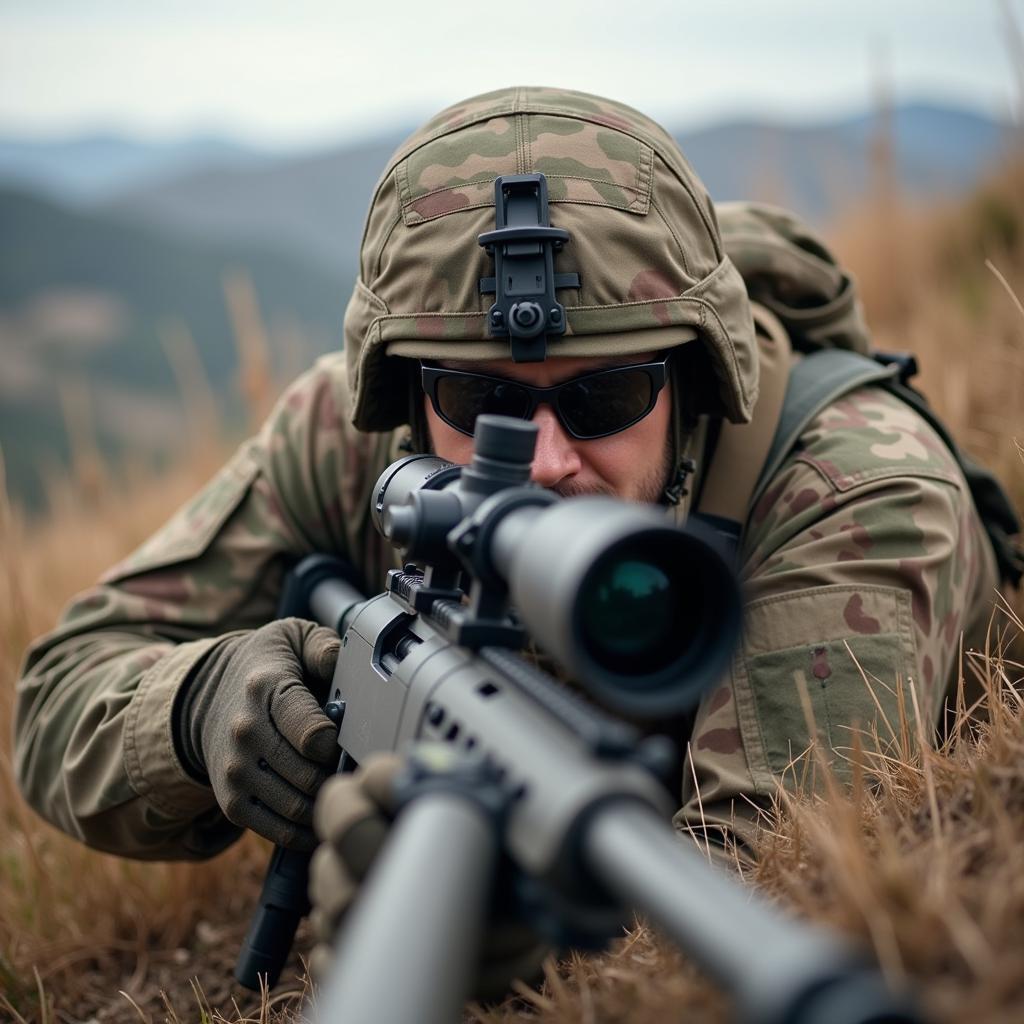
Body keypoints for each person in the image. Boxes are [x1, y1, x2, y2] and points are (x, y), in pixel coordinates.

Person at [14, 87, 1003, 873]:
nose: (540, 460)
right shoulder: (352, 435)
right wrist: (194, 707)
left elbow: (780, 883)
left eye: (606, 396)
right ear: (402, 387)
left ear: (697, 375)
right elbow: (58, 697)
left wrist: (527, 936)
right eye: (480, 398)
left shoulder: (848, 489)